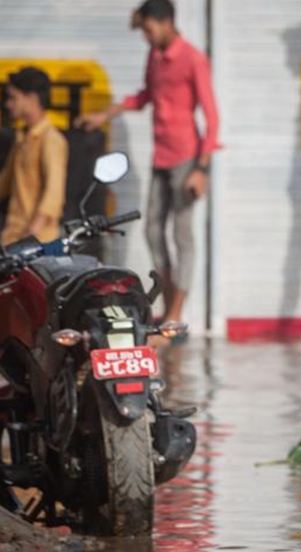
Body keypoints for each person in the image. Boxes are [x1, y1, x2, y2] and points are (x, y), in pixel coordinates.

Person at [77, 0, 221, 325]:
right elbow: (144, 97)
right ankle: (169, 307)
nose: (146, 36)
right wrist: (106, 113)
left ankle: (176, 314)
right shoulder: (155, 57)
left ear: (167, 21)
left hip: (187, 159)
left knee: (182, 235)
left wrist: (202, 168)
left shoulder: (192, 59)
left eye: (148, 29)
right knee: (153, 230)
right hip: (161, 157)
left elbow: (212, 119)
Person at [0, 67, 68, 247]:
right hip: (12, 239)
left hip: (37, 245)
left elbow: (54, 193)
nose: (8, 104)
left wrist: (32, 233)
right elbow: (5, 184)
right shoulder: (22, 138)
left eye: (13, 98)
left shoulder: (51, 140)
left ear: (32, 98)